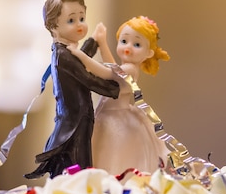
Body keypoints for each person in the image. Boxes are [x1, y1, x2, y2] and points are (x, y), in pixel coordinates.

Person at [25, 0, 120, 179]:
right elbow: (88, 78)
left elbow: (82, 61)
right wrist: (116, 88)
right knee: (78, 165)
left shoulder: (63, 52)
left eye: (82, 18)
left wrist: (93, 41)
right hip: (75, 122)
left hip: (77, 119)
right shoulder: (63, 55)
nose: (79, 25)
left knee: (73, 164)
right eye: (71, 20)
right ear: (53, 27)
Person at [68, 16, 171, 174]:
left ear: (149, 53)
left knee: (111, 153)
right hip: (108, 115)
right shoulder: (125, 67)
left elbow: (106, 72)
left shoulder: (131, 70)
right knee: (100, 150)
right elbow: (113, 67)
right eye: (124, 41)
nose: (128, 47)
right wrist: (102, 43)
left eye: (136, 44)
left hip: (115, 120)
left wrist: (80, 56)